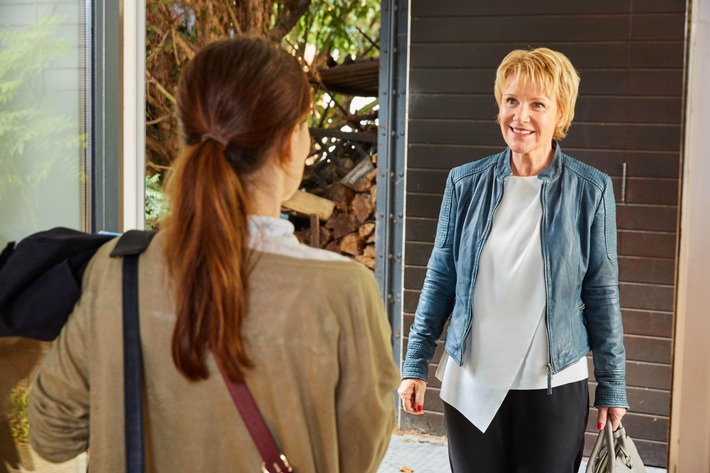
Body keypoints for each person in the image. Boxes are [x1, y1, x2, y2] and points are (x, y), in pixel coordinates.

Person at [29, 37, 399, 472]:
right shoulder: (342, 291)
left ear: (186, 136)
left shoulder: (118, 270)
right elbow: (359, 458)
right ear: (288, 144)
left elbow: (52, 436)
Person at [398, 47, 629, 472]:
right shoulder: (464, 183)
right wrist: (415, 363)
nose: (520, 116)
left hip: (553, 384)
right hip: (472, 377)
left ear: (560, 114)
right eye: (511, 101)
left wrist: (612, 386)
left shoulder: (590, 190)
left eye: (537, 104)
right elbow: (440, 278)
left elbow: (601, 291)